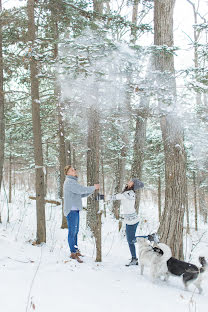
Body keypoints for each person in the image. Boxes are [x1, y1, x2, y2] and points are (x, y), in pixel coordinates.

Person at [63, 165, 99, 263]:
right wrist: (93, 187)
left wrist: (92, 190)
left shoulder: (73, 182)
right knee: (72, 232)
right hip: (71, 210)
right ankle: (73, 252)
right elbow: (81, 190)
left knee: (76, 231)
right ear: (67, 173)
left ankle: (75, 250)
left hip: (75, 210)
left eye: (74, 169)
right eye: (72, 170)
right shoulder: (69, 182)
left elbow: (81, 193)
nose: (74, 170)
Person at [110, 178, 144, 266]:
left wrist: (100, 197)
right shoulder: (129, 193)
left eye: (131, 181)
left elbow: (116, 197)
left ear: (133, 185)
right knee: (130, 240)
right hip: (131, 219)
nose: (129, 181)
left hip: (132, 220)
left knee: (131, 240)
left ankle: (149, 237)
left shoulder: (128, 194)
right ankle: (134, 258)